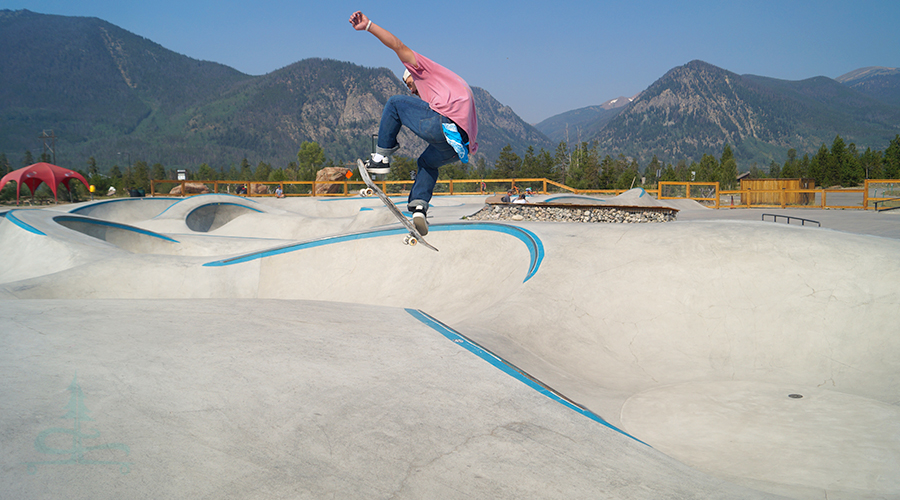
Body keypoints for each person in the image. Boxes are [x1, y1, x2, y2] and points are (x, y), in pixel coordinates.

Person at [349, 11, 478, 236]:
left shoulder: (423, 69)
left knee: (395, 103)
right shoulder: (451, 86)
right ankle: (419, 207)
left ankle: (381, 158)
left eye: (410, 84)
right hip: (457, 146)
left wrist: (368, 25)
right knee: (427, 163)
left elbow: (397, 45)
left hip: (442, 124)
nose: (412, 90)